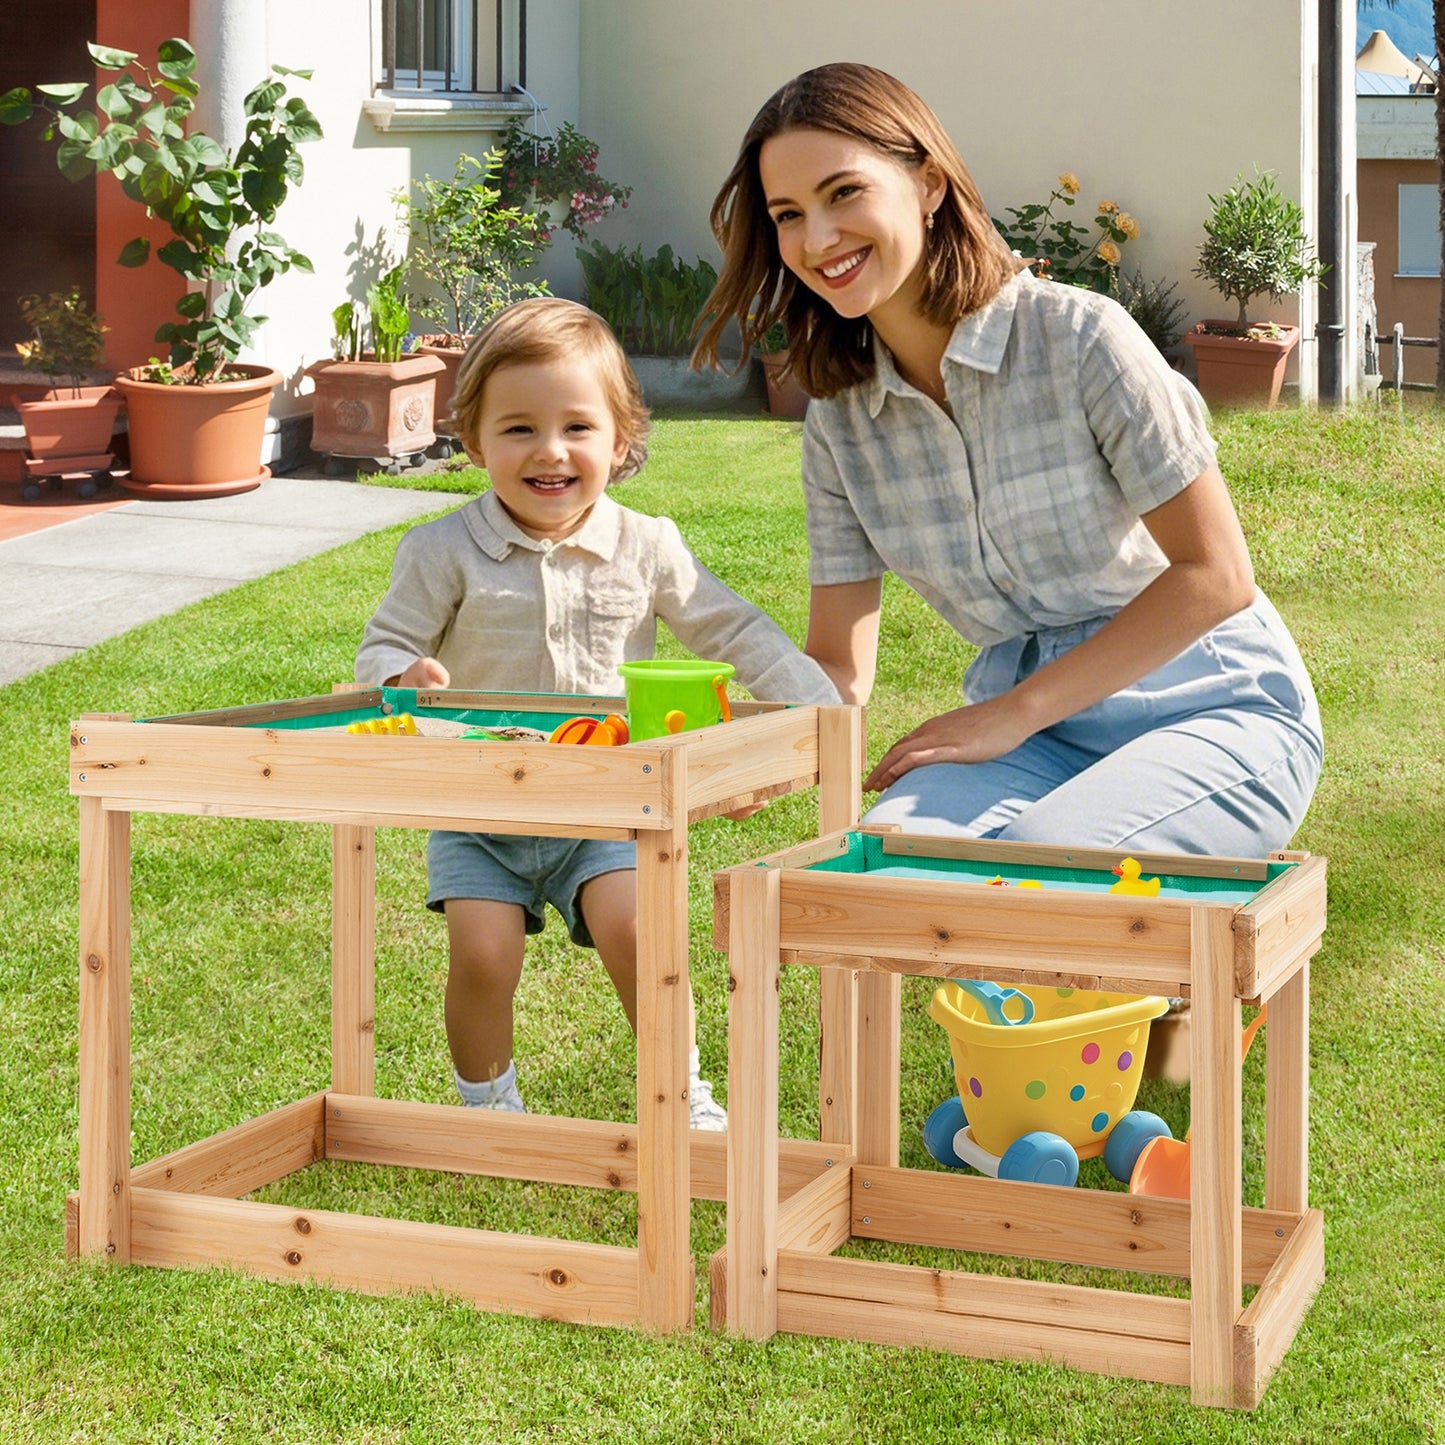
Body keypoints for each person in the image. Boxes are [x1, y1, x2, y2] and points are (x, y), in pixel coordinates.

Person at [694, 62, 1322, 858]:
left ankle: (1126, 983)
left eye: (843, 193)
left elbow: (1217, 575)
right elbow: (837, 670)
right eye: (788, 213)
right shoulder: (840, 428)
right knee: (885, 864)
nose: (816, 240)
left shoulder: (1081, 340)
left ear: (926, 184)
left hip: (1214, 707)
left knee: (1045, 859)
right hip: (1031, 743)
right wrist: (759, 753)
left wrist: (1017, 709)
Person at [357, 297, 837, 1124]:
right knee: (481, 953)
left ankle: (681, 1092)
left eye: (577, 427)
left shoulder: (645, 544)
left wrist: (813, 705)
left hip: (609, 807)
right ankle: (488, 1103)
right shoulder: (439, 551)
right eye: (517, 429)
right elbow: (379, 650)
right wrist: (404, 672)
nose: (550, 451)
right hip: (479, 808)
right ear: (472, 441)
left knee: (641, 937)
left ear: (620, 440)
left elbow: (732, 625)